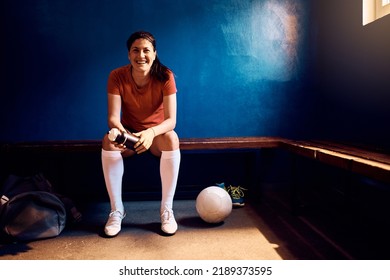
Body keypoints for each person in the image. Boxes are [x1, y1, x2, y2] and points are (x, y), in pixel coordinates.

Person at [101, 31, 180, 236]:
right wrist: (122, 134)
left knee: (172, 138)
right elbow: (112, 118)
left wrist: (150, 133)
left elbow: (171, 121)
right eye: (135, 50)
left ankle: (166, 210)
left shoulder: (166, 76)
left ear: (154, 53)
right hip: (129, 137)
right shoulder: (116, 75)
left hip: (155, 137)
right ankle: (116, 211)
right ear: (129, 55)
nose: (141, 55)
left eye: (146, 50)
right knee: (108, 141)